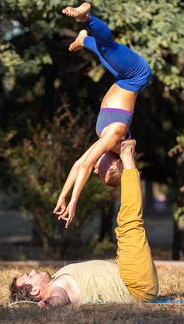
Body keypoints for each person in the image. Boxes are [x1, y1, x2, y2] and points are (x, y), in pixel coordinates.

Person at [10, 140, 159, 307]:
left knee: (125, 227)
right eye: (29, 276)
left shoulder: (58, 277)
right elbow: (58, 298)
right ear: (34, 291)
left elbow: (80, 164)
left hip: (129, 273)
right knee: (129, 223)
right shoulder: (56, 288)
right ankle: (127, 156)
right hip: (135, 285)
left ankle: (124, 157)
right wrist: (48, 304)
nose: (32, 271)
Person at [54, 3, 151, 228]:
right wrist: (74, 203)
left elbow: (79, 164)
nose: (98, 169)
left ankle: (83, 40)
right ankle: (86, 17)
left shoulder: (106, 144)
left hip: (122, 78)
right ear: (115, 165)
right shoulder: (114, 139)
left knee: (103, 48)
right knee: (107, 46)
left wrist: (63, 195)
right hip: (136, 75)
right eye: (103, 172)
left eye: (98, 174)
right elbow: (87, 165)